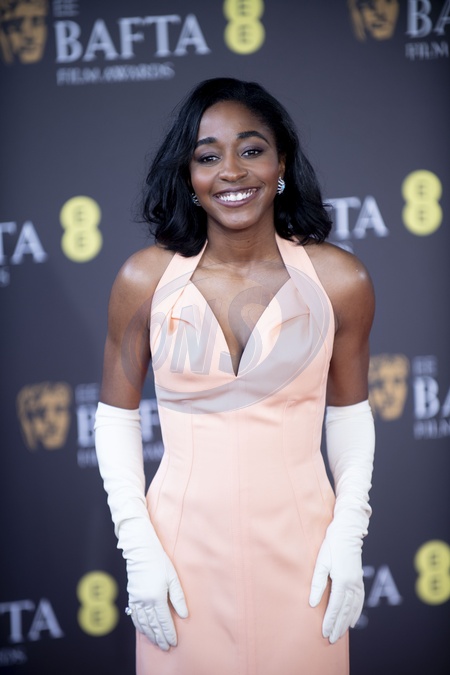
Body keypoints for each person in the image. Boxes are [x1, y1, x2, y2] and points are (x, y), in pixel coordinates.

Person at [94, 77, 375, 675]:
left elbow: (350, 415)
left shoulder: (339, 281)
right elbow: (115, 419)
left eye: (251, 150)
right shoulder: (144, 281)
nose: (231, 171)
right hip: (179, 558)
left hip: (307, 557)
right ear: (188, 174)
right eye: (208, 156)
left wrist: (348, 533)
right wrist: (138, 548)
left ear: (281, 164)